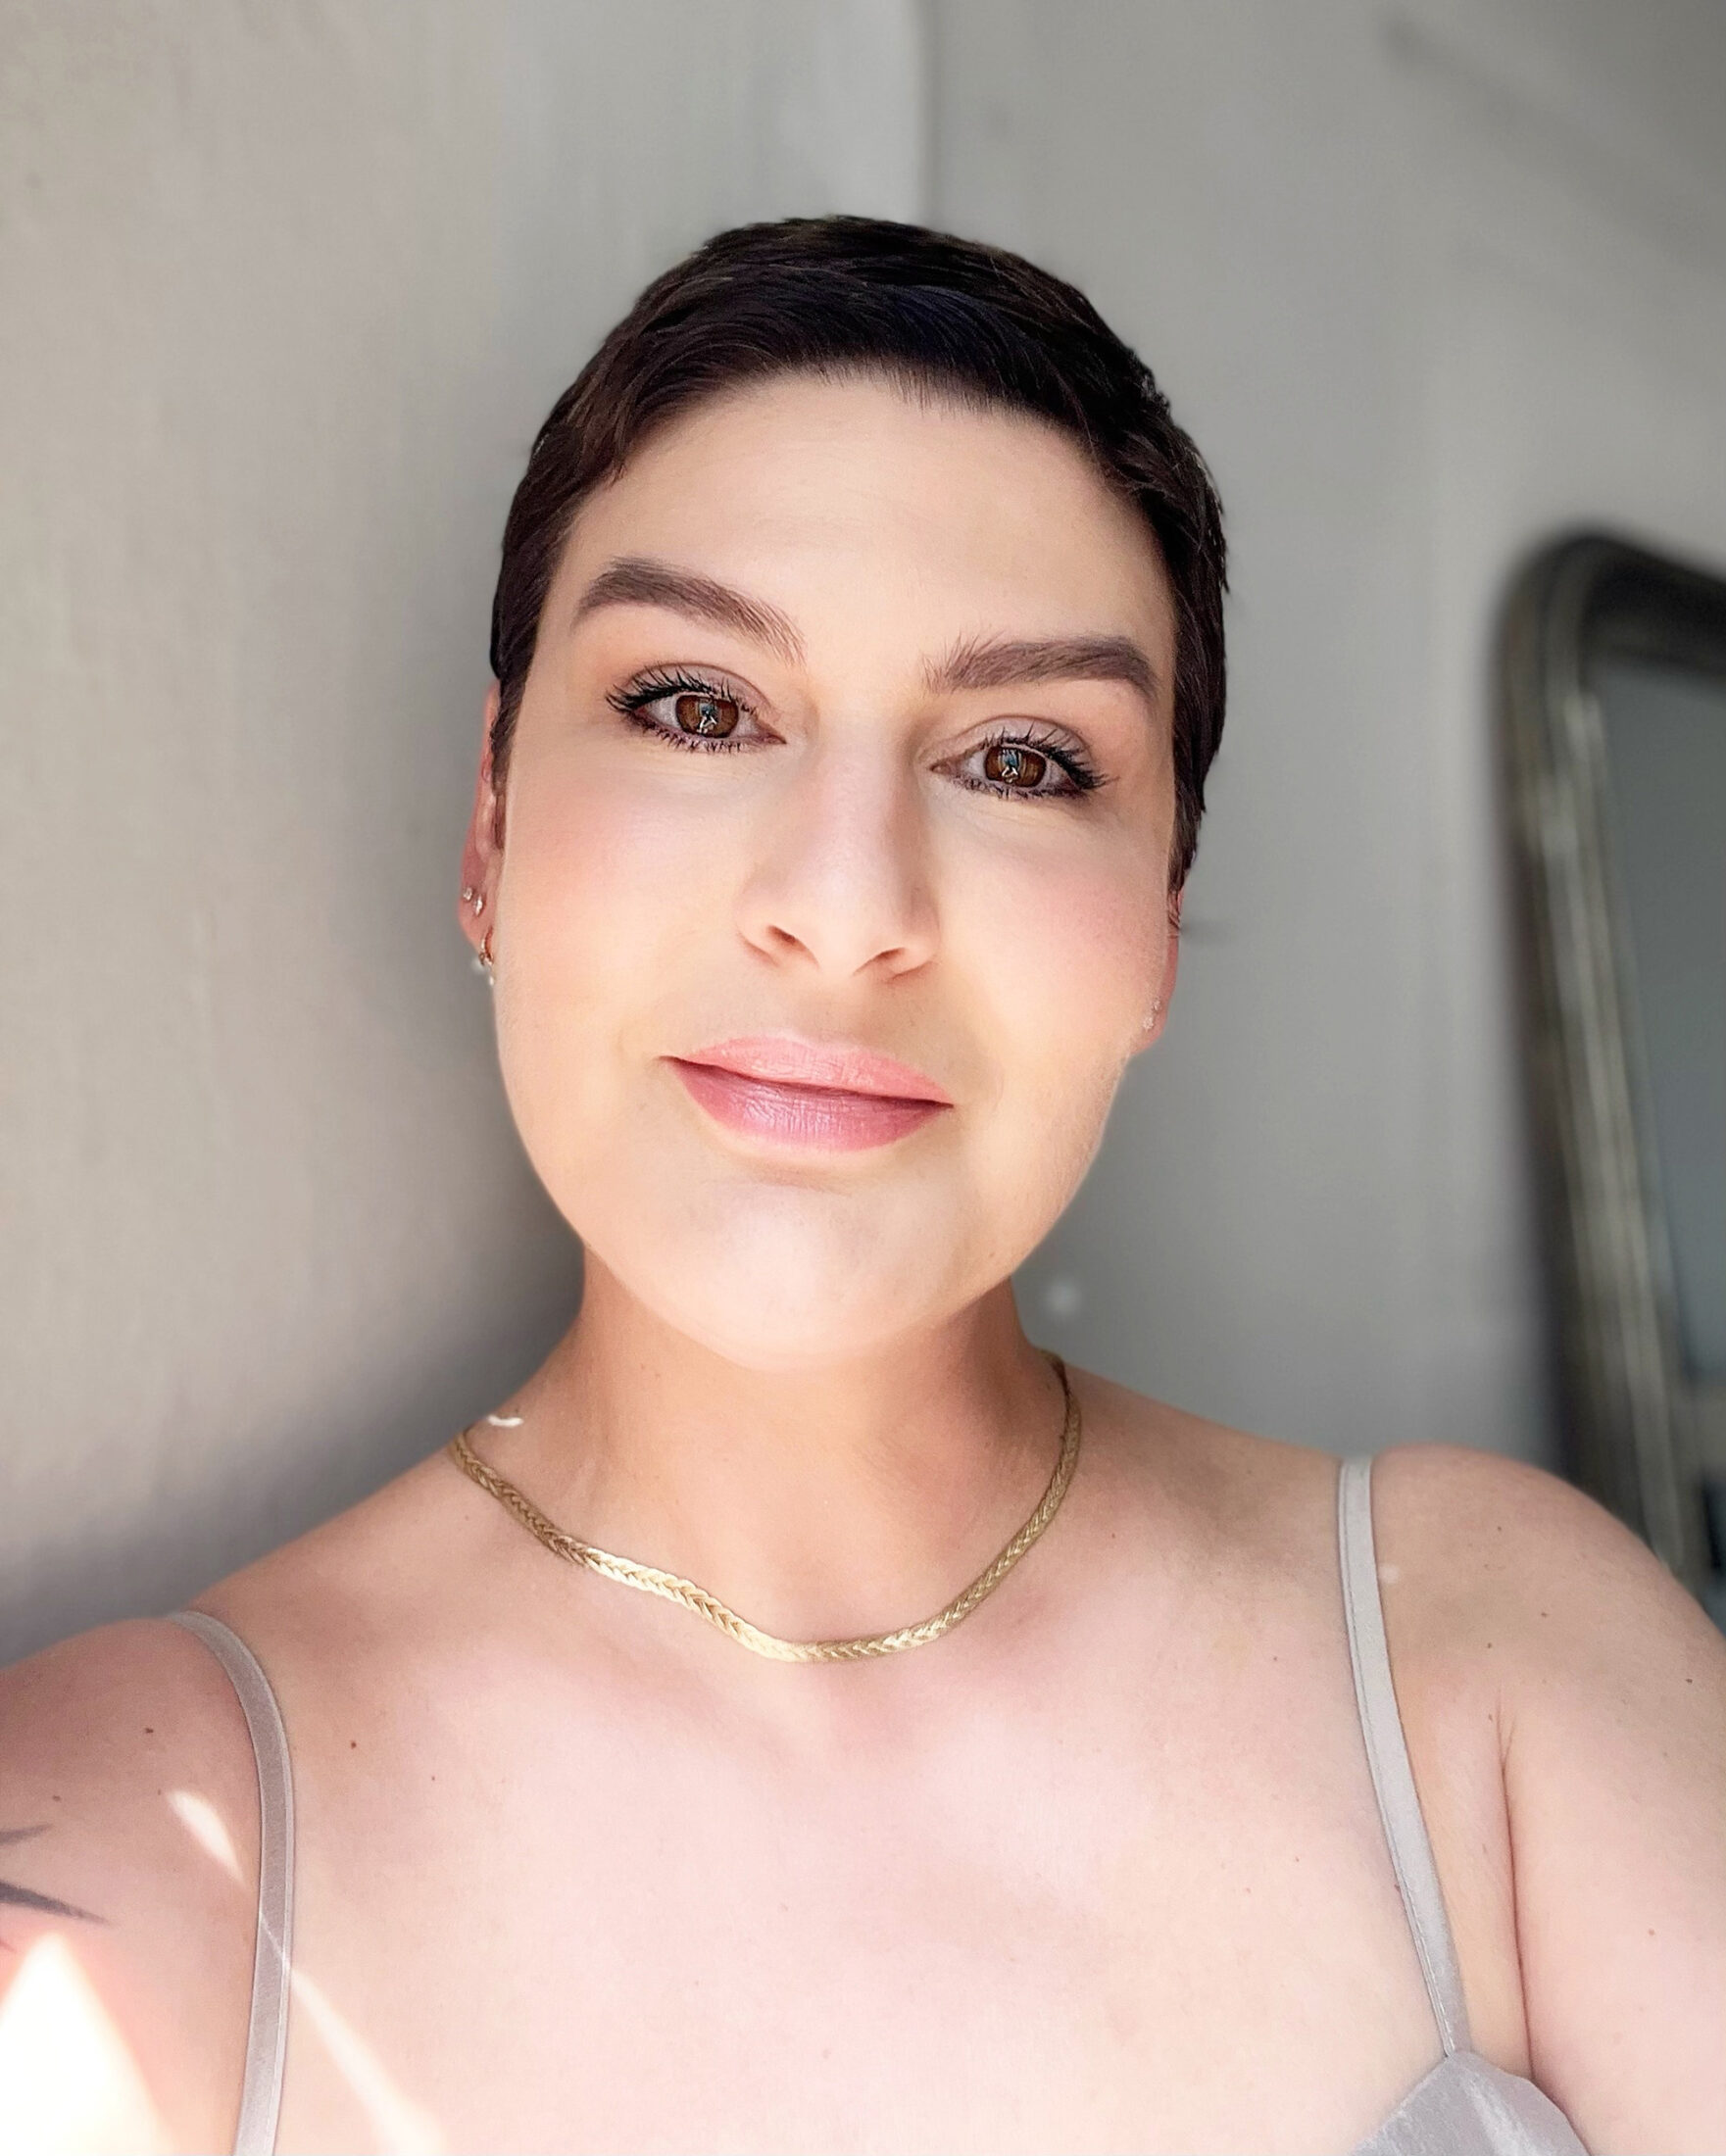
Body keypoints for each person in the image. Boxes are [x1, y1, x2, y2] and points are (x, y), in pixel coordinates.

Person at [1, 217, 1721, 2156]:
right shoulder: (119, 1852)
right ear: (488, 825)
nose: (842, 909)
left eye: (1020, 759)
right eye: (697, 706)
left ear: (1158, 920)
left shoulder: (1489, 1662)